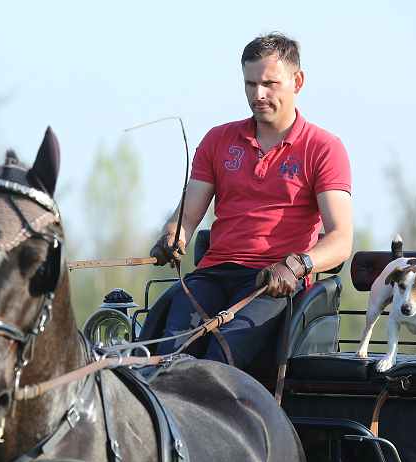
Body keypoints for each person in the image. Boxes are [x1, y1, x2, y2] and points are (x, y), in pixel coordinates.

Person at [149, 32, 353, 369]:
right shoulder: (217, 139)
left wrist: (296, 265)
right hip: (213, 273)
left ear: (297, 81)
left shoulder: (324, 148)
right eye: (250, 84)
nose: (258, 95)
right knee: (168, 353)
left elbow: (341, 239)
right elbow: (185, 218)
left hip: (271, 280)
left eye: (270, 83)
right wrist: (172, 236)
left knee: (221, 358)